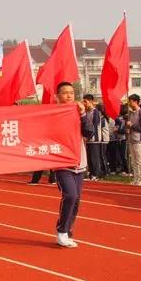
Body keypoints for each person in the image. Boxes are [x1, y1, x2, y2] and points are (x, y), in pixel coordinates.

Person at [51, 82, 94, 248]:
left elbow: (89, 132)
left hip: (78, 162)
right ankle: (62, 230)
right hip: (62, 163)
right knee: (70, 195)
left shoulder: (79, 113)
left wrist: (83, 115)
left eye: (71, 93)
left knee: (76, 201)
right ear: (57, 96)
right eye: (65, 93)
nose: (69, 96)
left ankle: (68, 230)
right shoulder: (52, 114)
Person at [126, 94, 141, 186]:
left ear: (135, 102)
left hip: (139, 140)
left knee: (140, 161)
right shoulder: (130, 113)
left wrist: (132, 125)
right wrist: (128, 128)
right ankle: (136, 178)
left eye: (130, 101)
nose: (129, 103)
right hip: (131, 139)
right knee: (134, 161)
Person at [83, 94, 102, 181]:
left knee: (95, 158)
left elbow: (95, 125)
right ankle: (91, 174)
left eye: (85, 102)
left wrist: (89, 136)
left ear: (91, 101)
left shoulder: (96, 112)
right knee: (89, 158)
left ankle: (96, 174)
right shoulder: (87, 112)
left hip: (95, 139)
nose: (84, 103)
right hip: (88, 139)